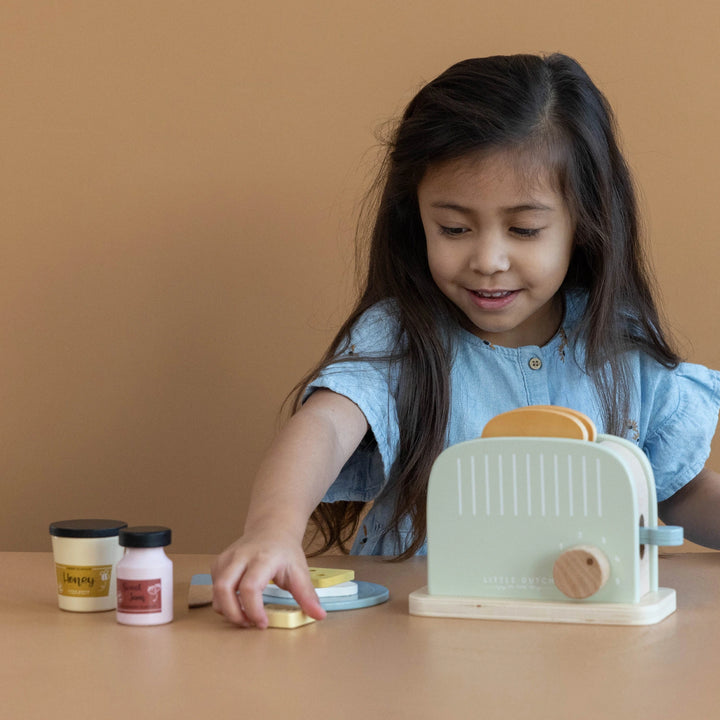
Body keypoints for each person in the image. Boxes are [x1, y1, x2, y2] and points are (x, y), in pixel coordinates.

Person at [212, 53, 720, 628]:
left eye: (525, 230)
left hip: (586, 640)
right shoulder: (400, 337)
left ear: (586, 221)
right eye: (453, 229)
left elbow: (672, 488)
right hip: (414, 635)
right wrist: (272, 530)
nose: (488, 260)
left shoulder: (618, 344)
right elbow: (326, 426)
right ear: (417, 218)